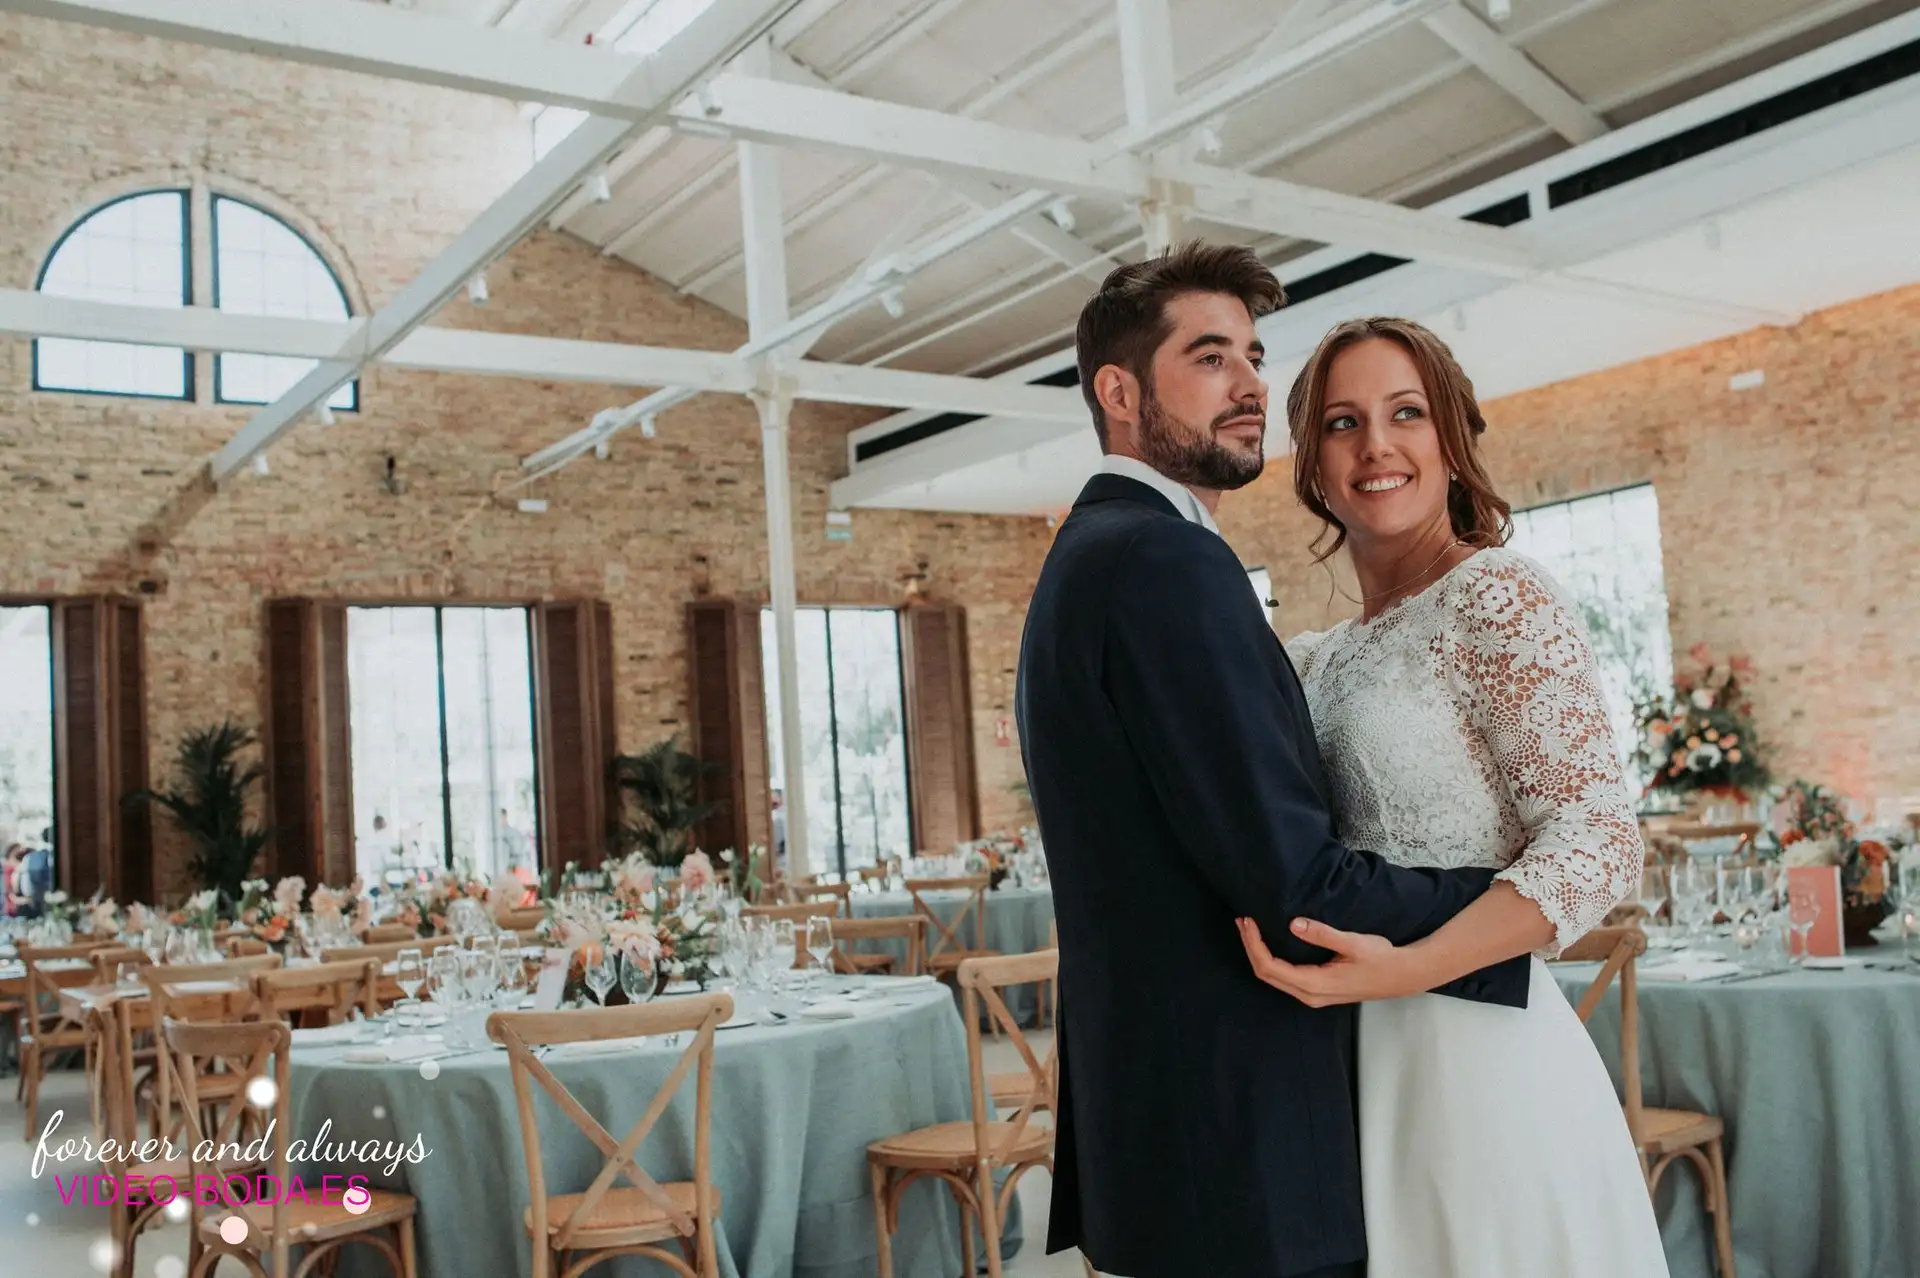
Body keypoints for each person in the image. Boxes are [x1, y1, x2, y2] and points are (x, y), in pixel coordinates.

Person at [1016, 243, 1530, 1278]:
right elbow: (1293, 884)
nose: (1251, 384)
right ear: (1120, 392)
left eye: (1253, 356)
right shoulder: (1163, 558)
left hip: (1173, 1134)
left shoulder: (1090, 555)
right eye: (1210, 358)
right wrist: (1515, 906)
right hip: (1244, 1144)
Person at [1234, 316, 1665, 1275]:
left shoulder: (1498, 596)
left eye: (1407, 414)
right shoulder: (1312, 660)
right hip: (1344, 1061)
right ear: (1312, 465)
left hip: (1483, 1054)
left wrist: (1407, 969)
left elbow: (1596, 840)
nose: (1376, 445)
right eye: (1343, 422)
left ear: (1452, 438)